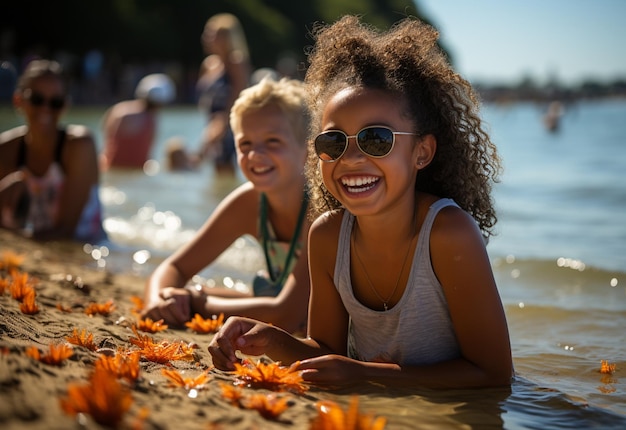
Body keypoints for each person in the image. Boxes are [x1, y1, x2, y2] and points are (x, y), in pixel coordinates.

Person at [209, 15, 513, 390]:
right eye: (333, 143)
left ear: (422, 151)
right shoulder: (327, 237)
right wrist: (270, 339)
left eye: (376, 139)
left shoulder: (448, 233)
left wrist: (365, 374)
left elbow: (494, 375)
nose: (351, 159)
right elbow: (324, 350)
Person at [142, 77, 311, 334]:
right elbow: (175, 267)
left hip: (317, 318)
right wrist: (160, 299)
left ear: (308, 148)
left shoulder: (320, 208)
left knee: (196, 297)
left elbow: (287, 314)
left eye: (273, 142)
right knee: (187, 294)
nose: (255, 155)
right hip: (287, 305)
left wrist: (197, 303)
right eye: (245, 144)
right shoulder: (250, 203)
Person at [0, 59, 106, 243]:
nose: (45, 109)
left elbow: (66, 231)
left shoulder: (80, 145)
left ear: (65, 105)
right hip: (36, 243)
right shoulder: (6, 149)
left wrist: (15, 242)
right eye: (37, 99)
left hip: (87, 249)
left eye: (55, 102)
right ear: (18, 100)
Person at [196, 13, 251, 174]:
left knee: (225, 169)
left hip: (228, 125)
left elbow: (237, 98)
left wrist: (221, 126)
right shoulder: (209, 64)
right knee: (214, 170)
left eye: (212, 34)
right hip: (210, 122)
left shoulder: (236, 62)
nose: (206, 37)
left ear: (226, 38)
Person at [100, 73, 175, 171]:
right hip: (133, 171)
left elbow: (105, 137)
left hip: (108, 167)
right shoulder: (150, 119)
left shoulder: (117, 110)